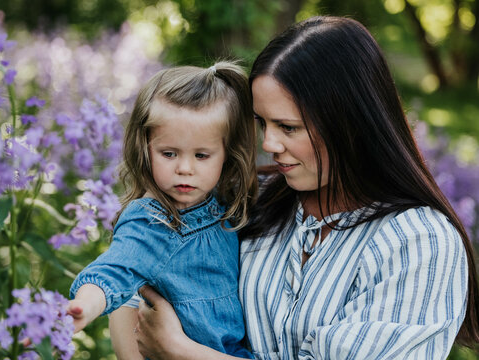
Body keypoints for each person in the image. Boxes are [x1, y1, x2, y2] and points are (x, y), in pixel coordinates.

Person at [111, 16, 479, 359]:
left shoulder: (418, 241)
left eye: (288, 127)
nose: (268, 143)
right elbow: (138, 285)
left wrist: (180, 351)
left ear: (350, 124)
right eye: (262, 123)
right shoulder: (250, 203)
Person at [68, 62, 258, 358]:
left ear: (226, 154)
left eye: (201, 155)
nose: (184, 168)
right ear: (146, 149)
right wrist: (85, 306)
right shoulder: (153, 220)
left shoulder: (223, 204)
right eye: (169, 153)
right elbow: (116, 267)